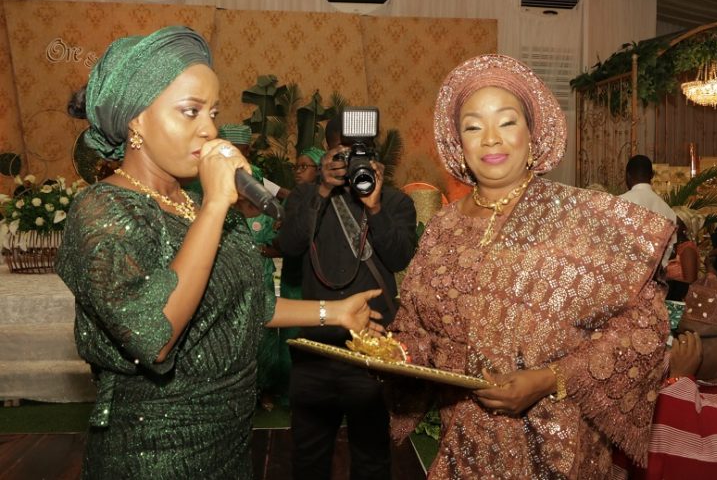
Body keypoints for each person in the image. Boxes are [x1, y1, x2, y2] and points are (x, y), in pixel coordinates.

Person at [56, 26, 383, 479]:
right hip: (155, 454)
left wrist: (335, 312)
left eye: (212, 112)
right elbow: (154, 335)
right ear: (136, 121)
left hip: (229, 443)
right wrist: (214, 206)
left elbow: (247, 304)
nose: (209, 129)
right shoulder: (102, 210)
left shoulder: (194, 205)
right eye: (190, 111)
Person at [386, 54, 675, 478]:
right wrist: (393, 352)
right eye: (473, 127)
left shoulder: (578, 218)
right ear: (457, 144)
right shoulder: (443, 227)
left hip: (559, 448)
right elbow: (418, 325)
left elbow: (644, 329)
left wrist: (549, 379)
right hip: (464, 444)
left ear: (532, 134)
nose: (490, 139)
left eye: (506, 122)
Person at [278, 113, 417, 480]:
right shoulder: (306, 196)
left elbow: (400, 258)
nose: (353, 160)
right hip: (316, 349)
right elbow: (289, 245)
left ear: (375, 154)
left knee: (372, 459)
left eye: (362, 150)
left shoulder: (395, 202)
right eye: (343, 152)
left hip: (371, 353)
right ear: (327, 153)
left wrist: (375, 207)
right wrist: (322, 190)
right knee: (308, 459)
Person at [615, 275, 717, 479]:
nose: (678, 345)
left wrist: (679, 381)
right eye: (678, 334)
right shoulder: (662, 366)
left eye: (689, 336)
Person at [620, 154, 677, 269]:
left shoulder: (618, 203)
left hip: (624, 272)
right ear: (652, 176)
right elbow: (670, 250)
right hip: (655, 275)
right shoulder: (669, 211)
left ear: (627, 176)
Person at [665, 206, 702, 301]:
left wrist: (664, 278)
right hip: (668, 295)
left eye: (675, 222)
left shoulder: (687, 248)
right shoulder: (670, 244)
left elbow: (690, 281)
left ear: (684, 227)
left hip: (678, 299)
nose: (670, 225)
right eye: (669, 220)